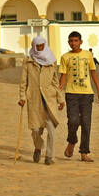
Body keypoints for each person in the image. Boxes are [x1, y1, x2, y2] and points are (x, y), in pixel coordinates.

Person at [57, 30, 99, 162]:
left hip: (87, 94)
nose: (73, 43)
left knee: (86, 123)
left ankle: (84, 152)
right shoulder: (65, 57)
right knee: (73, 121)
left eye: (76, 41)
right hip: (71, 94)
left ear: (81, 42)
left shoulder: (87, 55)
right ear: (68, 42)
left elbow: (93, 73)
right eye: (71, 41)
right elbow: (63, 76)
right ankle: (72, 141)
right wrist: (59, 92)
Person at [18, 35, 63, 165]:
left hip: (49, 100)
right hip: (34, 100)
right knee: (36, 130)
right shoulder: (28, 62)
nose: (40, 48)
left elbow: (55, 81)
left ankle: (49, 156)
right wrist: (22, 97)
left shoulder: (51, 60)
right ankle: (38, 147)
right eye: (37, 46)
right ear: (34, 46)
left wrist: (60, 99)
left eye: (42, 45)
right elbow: (23, 82)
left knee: (51, 129)